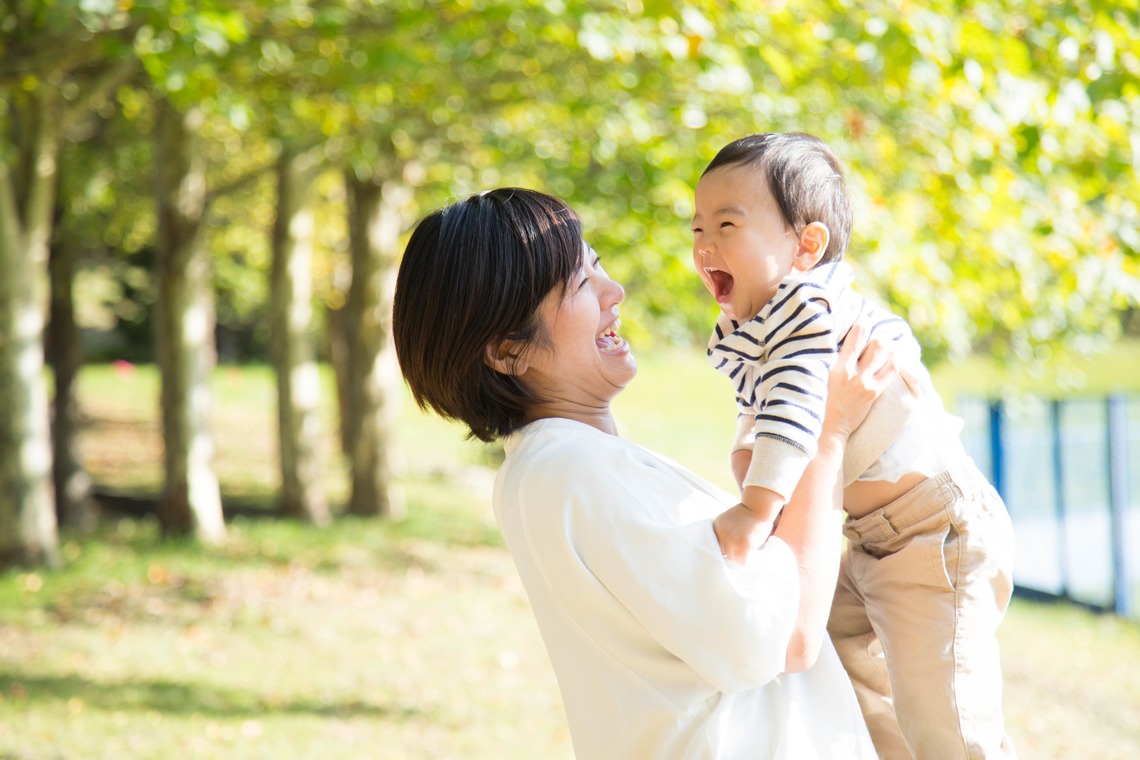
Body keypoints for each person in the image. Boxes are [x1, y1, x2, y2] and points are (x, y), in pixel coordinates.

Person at [392, 187, 890, 759]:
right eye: (580, 285)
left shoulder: (560, 468)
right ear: (508, 351)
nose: (614, 292)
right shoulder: (573, 473)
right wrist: (827, 432)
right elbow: (785, 641)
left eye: (597, 265)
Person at [691, 132, 1017, 758]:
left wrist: (756, 512)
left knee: (949, 725)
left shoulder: (805, 311)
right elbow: (763, 418)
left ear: (806, 246)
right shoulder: (760, 322)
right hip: (874, 541)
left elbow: (791, 414)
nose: (706, 245)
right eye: (698, 228)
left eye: (727, 225)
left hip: (935, 536)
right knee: (842, 668)